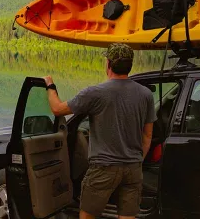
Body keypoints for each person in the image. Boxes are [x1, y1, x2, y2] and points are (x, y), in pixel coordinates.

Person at [43, 43, 154, 219]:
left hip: (104, 168)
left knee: (87, 216)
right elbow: (147, 135)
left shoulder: (95, 93)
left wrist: (50, 85)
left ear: (108, 64)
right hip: (133, 168)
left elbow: (57, 109)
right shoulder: (146, 94)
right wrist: (137, 159)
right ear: (130, 65)